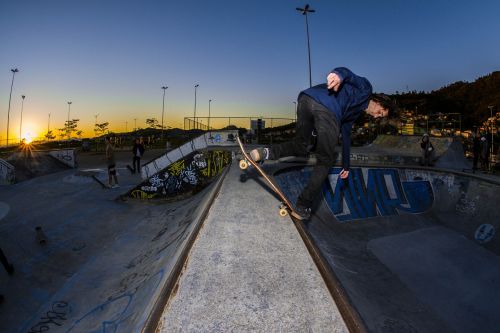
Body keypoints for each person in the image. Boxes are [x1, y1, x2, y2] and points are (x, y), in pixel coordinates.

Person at [249, 67, 397, 220]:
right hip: (327, 109)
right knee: (325, 160)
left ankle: (265, 152)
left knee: (302, 145)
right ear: (379, 101)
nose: (377, 116)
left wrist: (346, 164)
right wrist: (338, 75)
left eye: (380, 117)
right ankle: (302, 205)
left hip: (306, 100)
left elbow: (346, 136)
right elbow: (349, 75)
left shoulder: (354, 113)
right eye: (380, 112)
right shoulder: (366, 89)